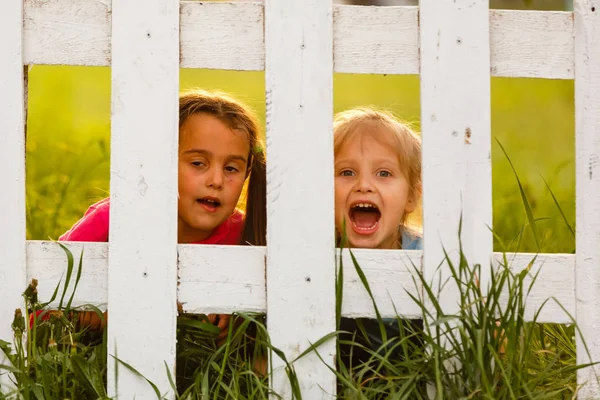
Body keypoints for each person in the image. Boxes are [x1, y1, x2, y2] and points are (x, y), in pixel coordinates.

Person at [53, 89, 267, 338]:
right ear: (161, 161)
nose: (217, 180)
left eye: (231, 168)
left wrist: (236, 315)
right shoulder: (109, 220)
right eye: (198, 163)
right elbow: (42, 302)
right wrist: (87, 315)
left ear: (248, 172)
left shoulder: (245, 235)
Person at [333, 107, 423, 376]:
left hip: (412, 374)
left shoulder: (426, 254)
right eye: (347, 172)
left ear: (410, 197)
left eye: (383, 174)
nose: (364, 185)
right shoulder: (315, 254)